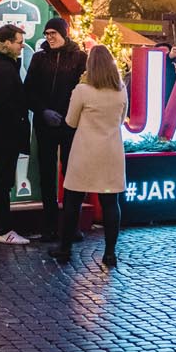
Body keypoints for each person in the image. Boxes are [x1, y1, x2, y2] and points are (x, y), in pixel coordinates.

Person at [52, 43, 128, 267]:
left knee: (73, 201)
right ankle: (110, 253)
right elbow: (122, 120)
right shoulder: (121, 90)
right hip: (111, 153)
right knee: (110, 203)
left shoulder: (82, 91)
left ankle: (65, 249)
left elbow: (70, 121)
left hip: (85, 152)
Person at [24, 16, 86, 244]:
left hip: (69, 124)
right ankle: (49, 226)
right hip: (45, 123)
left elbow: (83, 90)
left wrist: (70, 115)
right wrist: (42, 111)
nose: (49, 38)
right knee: (47, 174)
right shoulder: (39, 59)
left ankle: (72, 225)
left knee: (72, 173)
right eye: (47, 34)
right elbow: (29, 90)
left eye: (54, 34)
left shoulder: (79, 58)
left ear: (64, 34)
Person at [0, 24, 31, 244]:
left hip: (2, 129)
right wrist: (18, 122)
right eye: (19, 42)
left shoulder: (1, 64)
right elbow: (6, 103)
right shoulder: (3, 68)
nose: (22, 46)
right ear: (7, 43)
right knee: (3, 181)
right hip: (6, 131)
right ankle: (3, 229)